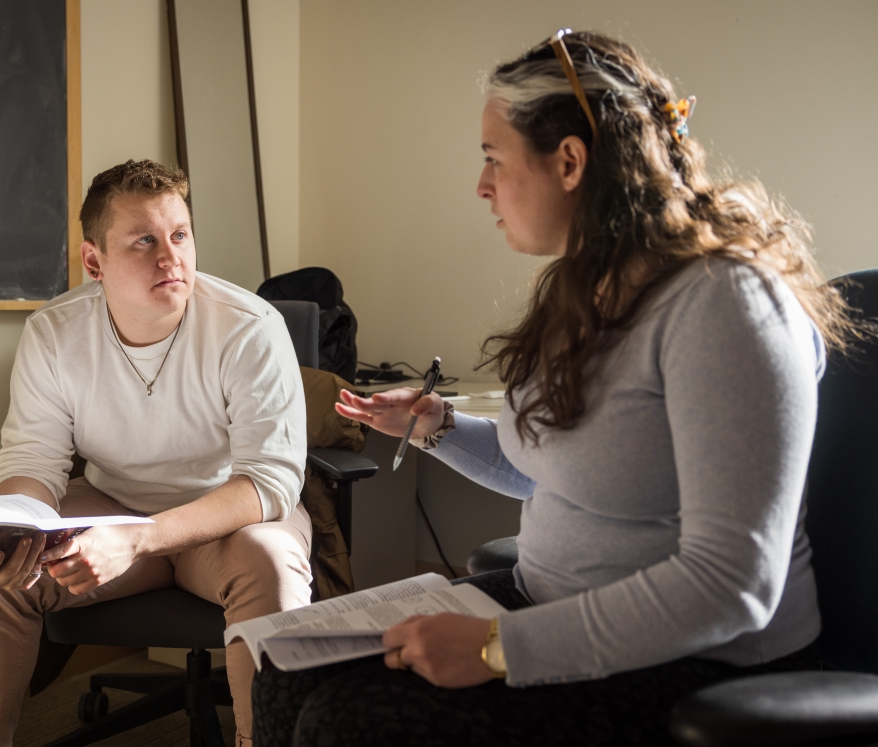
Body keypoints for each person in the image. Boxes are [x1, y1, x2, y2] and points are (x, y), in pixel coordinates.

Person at [252, 30, 860, 746]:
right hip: (552, 601)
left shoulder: (726, 305)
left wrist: (495, 649)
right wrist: (434, 425)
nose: (481, 185)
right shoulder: (584, 291)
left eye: (492, 158)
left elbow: (732, 586)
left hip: (704, 660)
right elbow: (552, 470)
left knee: (353, 722)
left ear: (569, 160)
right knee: (285, 669)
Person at [0, 159, 312, 747]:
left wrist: (140, 537)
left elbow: (270, 482)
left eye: (180, 235)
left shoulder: (249, 328)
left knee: (270, 560)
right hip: (109, 508)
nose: (171, 258)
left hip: (224, 521)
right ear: (94, 260)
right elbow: (32, 462)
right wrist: (15, 526)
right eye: (144, 241)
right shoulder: (54, 333)